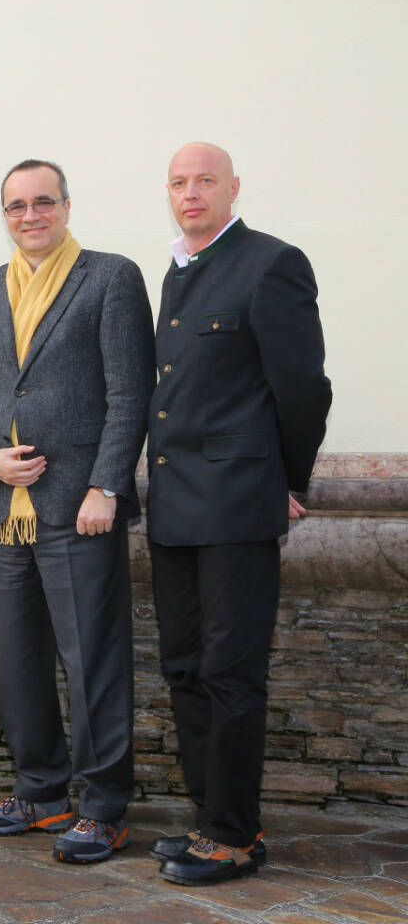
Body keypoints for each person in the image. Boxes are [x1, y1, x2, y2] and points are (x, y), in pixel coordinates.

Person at [0, 159, 154, 863]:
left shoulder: (111, 277)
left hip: (78, 505)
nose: (29, 216)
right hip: (5, 509)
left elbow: (129, 393)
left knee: (92, 661)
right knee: (19, 661)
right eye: (15, 206)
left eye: (42, 203)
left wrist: (107, 486)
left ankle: (102, 807)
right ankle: (40, 792)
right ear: (3, 214)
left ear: (66, 205)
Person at [148, 142, 331, 886]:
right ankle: (212, 820)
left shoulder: (271, 262)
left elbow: (303, 389)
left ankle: (232, 837)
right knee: (186, 669)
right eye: (179, 183)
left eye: (205, 181)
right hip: (175, 505)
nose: (191, 194)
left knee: (230, 672)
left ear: (232, 188)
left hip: (237, 504)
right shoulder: (178, 270)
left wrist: (289, 479)